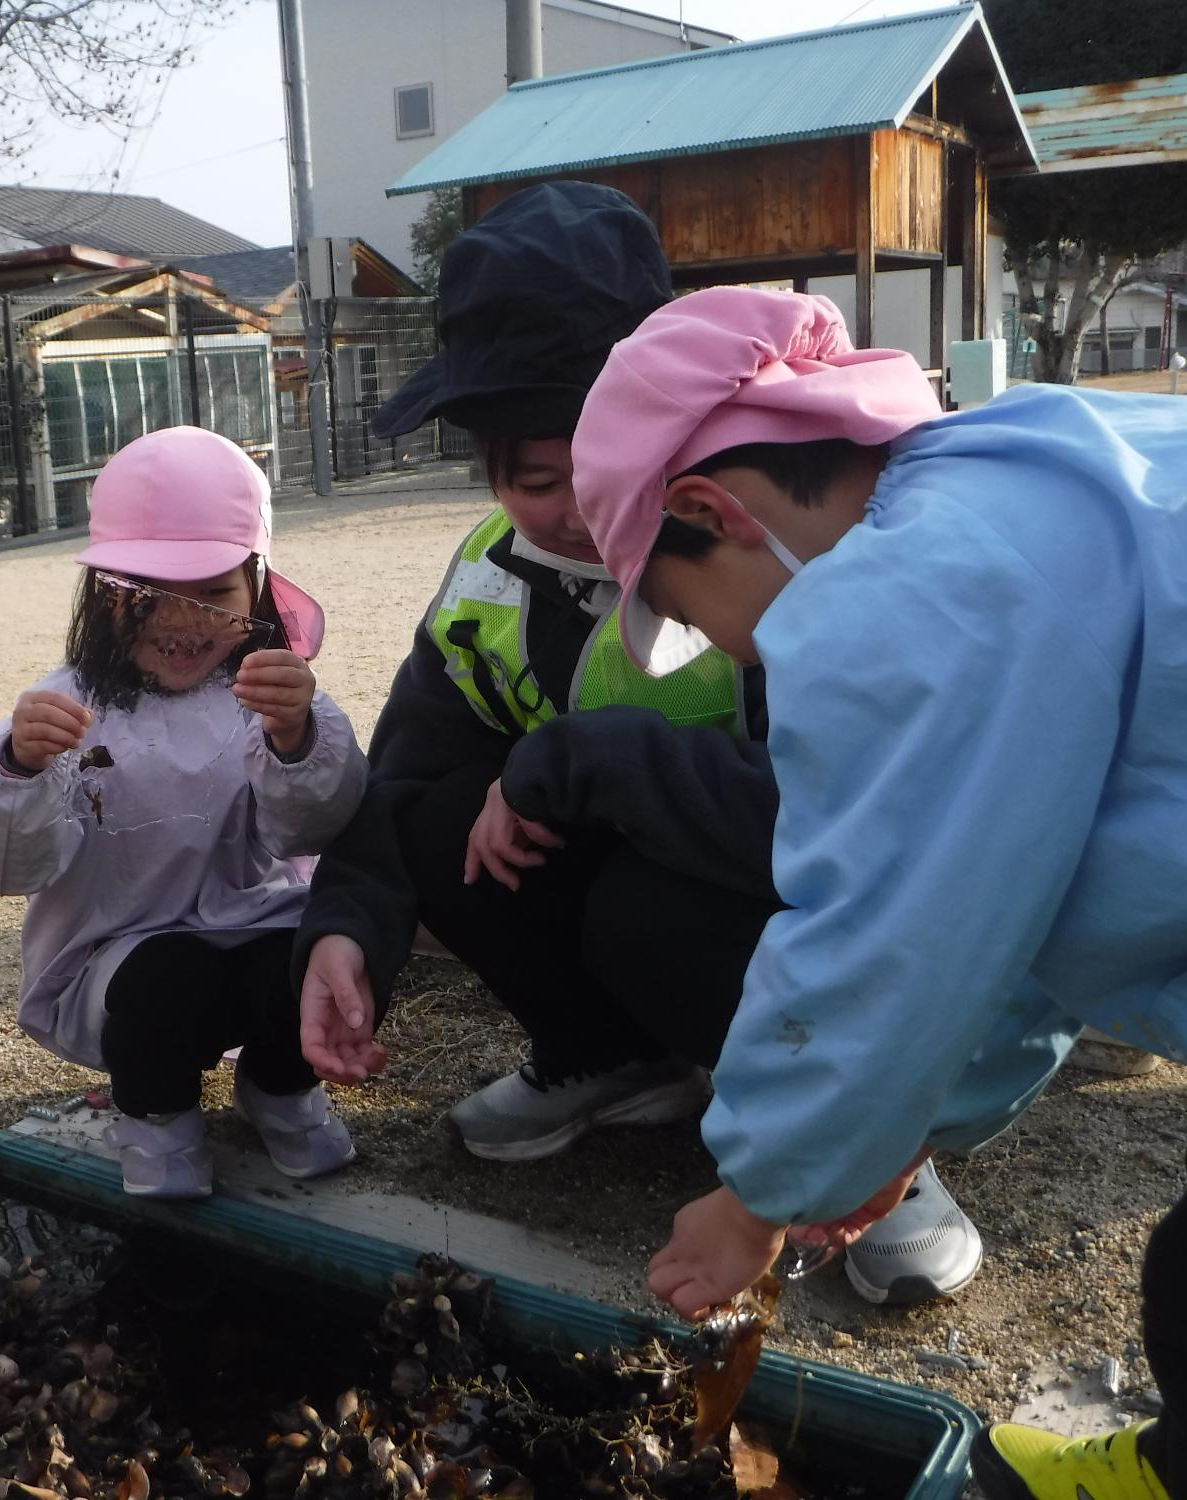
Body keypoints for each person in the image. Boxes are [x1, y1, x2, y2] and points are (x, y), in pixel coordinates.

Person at [292, 182, 983, 1308]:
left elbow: (859, 825)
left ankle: (869, 1138)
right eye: (532, 477)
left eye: (600, 458)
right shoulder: (491, 580)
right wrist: (343, 933)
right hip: (630, 876)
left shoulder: (778, 557)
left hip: (764, 905)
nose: (577, 508)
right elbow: (404, 768)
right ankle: (608, 1056)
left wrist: (596, 761)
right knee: (435, 817)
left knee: (650, 909)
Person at [570, 284, 1185, 1500]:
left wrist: (756, 1192)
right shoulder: (1034, 457)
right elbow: (1005, 903)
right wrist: (902, 1124)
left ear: (710, 511)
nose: (740, 655)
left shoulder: (901, 594)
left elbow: (892, 934)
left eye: (697, 617)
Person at [0, 427, 367, 1199]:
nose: (183, 622)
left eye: (214, 594)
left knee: (314, 960)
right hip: (121, 953)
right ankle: (157, 1113)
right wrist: (19, 764)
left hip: (260, 922)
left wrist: (300, 738)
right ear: (101, 596)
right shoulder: (69, 705)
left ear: (259, 588)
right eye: (147, 595)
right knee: (165, 978)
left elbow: (313, 828)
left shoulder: (269, 694)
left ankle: (281, 1085)